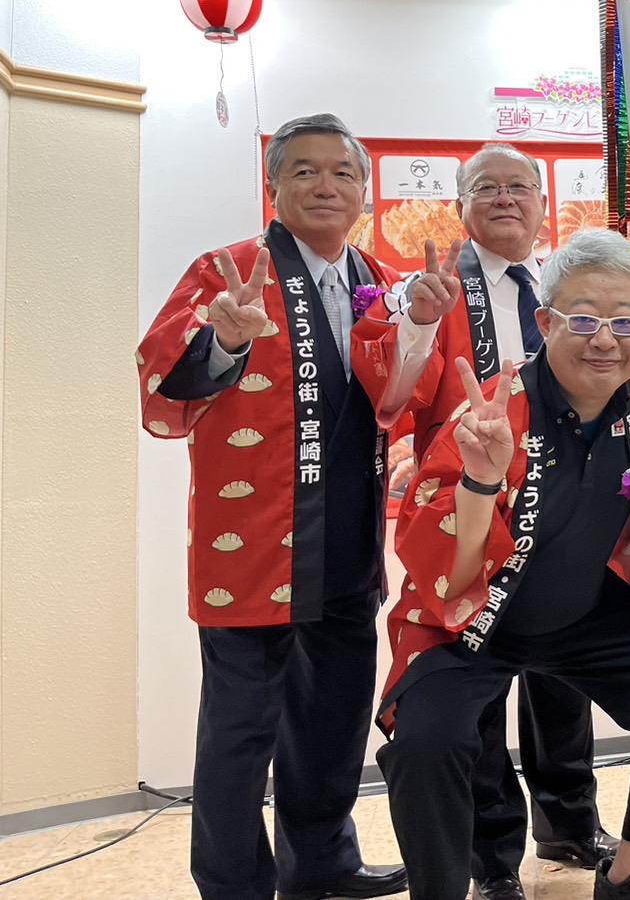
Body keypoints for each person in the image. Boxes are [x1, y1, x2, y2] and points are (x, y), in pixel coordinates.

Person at [374, 229, 630, 900]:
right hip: (471, 621)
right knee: (428, 741)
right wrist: (480, 480)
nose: (604, 338)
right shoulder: (492, 410)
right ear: (544, 321)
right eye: (583, 318)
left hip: (580, 611)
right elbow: (444, 570)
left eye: (623, 320)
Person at [137, 113, 409, 900]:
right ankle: (233, 884)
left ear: (363, 189)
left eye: (342, 173)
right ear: (274, 185)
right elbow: (163, 386)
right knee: (239, 731)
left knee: (332, 720)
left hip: (349, 541)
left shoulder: (379, 280)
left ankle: (321, 861)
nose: (326, 186)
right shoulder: (228, 268)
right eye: (305, 171)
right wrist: (223, 342)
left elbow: (405, 393)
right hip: (250, 544)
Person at [353, 144, 616, 899]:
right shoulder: (431, 292)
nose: (505, 199)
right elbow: (397, 395)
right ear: (460, 206)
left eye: (519, 187)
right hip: (471, 509)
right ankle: (491, 855)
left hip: (565, 510)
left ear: (543, 203)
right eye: (486, 188)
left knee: (560, 677)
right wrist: (417, 325)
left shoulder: (568, 286)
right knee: (473, 686)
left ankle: (569, 821)